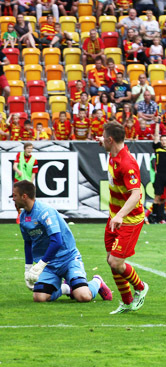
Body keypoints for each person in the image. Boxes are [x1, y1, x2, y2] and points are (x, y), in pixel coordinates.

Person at [13, 180, 113, 303]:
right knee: (39, 298)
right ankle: (67, 288)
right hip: (49, 265)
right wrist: (27, 268)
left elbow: (57, 241)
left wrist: (40, 264)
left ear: (24, 196)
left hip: (68, 259)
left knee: (83, 296)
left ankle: (97, 282)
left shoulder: (45, 212)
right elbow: (28, 243)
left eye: (15, 196)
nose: (13, 199)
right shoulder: (23, 218)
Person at [97, 122, 149, 314]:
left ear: (111, 140)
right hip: (115, 217)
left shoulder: (127, 163)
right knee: (111, 259)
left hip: (129, 219)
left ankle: (141, 288)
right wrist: (102, 141)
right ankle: (126, 301)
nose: (102, 139)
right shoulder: (113, 153)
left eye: (104, 137)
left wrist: (119, 215)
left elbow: (136, 194)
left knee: (116, 262)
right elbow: (107, 142)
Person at [150, 126, 166, 223]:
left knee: (163, 198)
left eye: (165, 140)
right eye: (162, 140)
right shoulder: (158, 148)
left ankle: (161, 218)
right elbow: (156, 137)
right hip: (160, 176)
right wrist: (157, 124)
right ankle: (154, 216)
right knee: (157, 197)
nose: (164, 142)